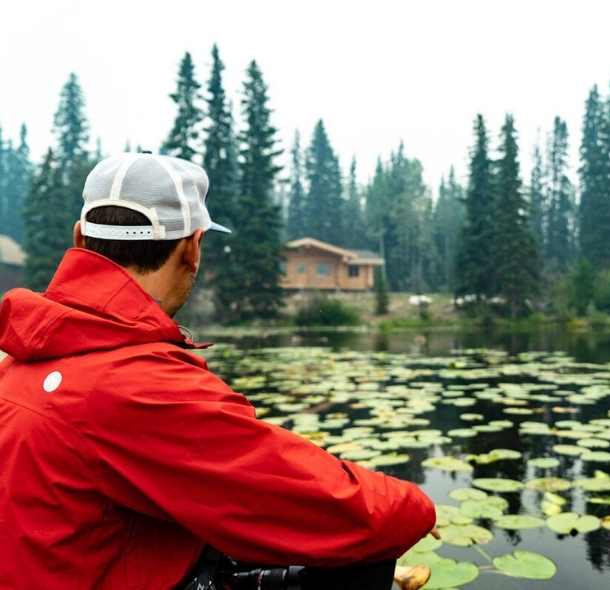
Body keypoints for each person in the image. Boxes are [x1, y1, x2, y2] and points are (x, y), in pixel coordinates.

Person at [0, 152, 439, 590]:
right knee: (360, 558)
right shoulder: (137, 380)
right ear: (192, 247)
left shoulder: (20, 355)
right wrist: (413, 506)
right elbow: (317, 504)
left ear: (80, 238)